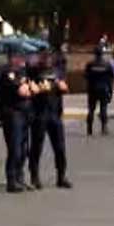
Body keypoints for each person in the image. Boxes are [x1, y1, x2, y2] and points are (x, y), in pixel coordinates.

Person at [28, 50, 71, 189]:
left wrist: (60, 85)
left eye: (49, 59)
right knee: (36, 147)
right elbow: (30, 89)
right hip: (39, 114)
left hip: (54, 114)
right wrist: (39, 88)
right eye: (44, 58)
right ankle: (34, 177)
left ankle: (61, 177)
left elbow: (65, 88)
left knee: (60, 147)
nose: (47, 61)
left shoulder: (57, 72)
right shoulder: (34, 73)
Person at [0, 51, 34, 193]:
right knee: (15, 149)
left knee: (24, 150)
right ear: (13, 58)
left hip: (25, 113)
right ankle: (11, 181)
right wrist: (29, 88)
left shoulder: (23, 72)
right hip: (13, 114)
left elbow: (35, 88)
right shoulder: (8, 72)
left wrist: (30, 88)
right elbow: (22, 91)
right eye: (20, 57)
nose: (23, 60)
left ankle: (20, 178)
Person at [84, 47, 114, 136]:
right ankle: (104, 128)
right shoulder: (107, 64)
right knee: (103, 108)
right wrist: (111, 91)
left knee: (91, 109)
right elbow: (111, 79)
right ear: (102, 54)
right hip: (103, 89)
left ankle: (89, 128)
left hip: (92, 89)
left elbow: (86, 76)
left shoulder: (90, 64)